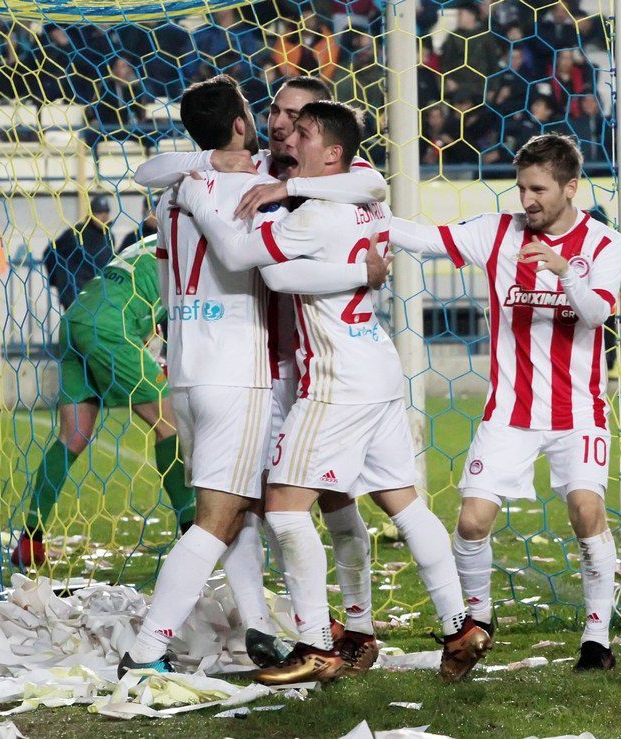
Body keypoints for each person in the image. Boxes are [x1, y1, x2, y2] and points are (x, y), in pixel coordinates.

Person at [184, 100, 491, 686]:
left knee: (282, 506)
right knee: (404, 502)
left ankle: (316, 645)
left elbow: (249, 260)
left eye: (302, 130)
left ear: (330, 154)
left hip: (336, 379)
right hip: (376, 364)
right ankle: (461, 625)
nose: (289, 135)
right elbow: (353, 205)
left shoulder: (315, 213)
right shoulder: (366, 203)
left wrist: (201, 196)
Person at [117, 76, 388, 679]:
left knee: (242, 505)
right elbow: (250, 252)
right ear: (242, 124)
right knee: (222, 514)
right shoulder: (252, 188)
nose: (281, 124)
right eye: (267, 111)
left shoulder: (180, 186)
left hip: (186, 369)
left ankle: (260, 624)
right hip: (239, 371)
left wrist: (204, 165)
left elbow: (149, 174)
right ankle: (146, 651)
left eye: (297, 117)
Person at [388, 134, 621, 672]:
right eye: (521, 188)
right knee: (472, 523)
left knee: (586, 511)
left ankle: (597, 640)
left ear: (570, 187)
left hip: (578, 411)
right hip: (510, 413)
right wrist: (357, 215)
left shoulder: (605, 245)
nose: (527, 200)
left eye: (538, 189)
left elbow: (597, 314)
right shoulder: (498, 232)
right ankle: (478, 622)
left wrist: (564, 270)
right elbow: (423, 239)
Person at [10, 234, 195, 567]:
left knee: (74, 435)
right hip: (111, 327)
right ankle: (193, 534)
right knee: (169, 424)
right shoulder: (189, 247)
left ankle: (30, 540)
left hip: (76, 319)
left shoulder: (148, 243)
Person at [43, 196, 114, 310]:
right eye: (99, 213)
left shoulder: (109, 236)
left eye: (106, 212)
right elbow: (50, 252)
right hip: (76, 297)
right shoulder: (76, 233)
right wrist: (59, 281)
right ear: (91, 214)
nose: (104, 216)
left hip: (99, 296)